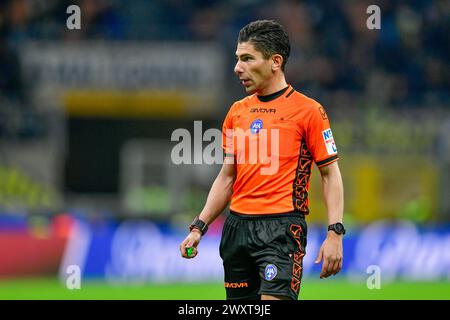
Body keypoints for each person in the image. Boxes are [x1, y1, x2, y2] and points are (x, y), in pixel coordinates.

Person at [179, 20, 345, 300]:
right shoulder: (237, 112)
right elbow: (227, 176)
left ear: (275, 62)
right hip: (236, 230)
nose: (237, 68)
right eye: (237, 59)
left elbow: (330, 174)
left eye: (247, 59)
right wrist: (200, 226)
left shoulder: (309, 111)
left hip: (281, 230)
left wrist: (335, 233)